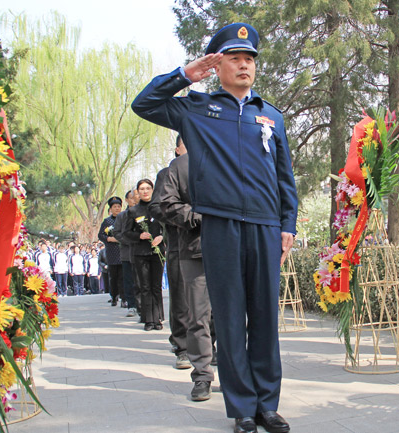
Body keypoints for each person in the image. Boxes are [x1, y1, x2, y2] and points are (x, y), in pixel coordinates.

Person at [132, 22, 298, 433]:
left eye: (249, 59)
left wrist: (287, 224)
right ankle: (242, 407)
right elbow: (144, 103)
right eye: (235, 58)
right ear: (218, 64)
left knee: (264, 318)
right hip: (220, 227)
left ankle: (267, 405)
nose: (244, 65)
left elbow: (284, 178)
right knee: (227, 316)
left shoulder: (270, 116)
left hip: (264, 226)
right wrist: (185, 75)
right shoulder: (197, 109)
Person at [158, 142, 218, 401]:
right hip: (195, 251)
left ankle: (233, 374)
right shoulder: (179, 167)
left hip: (232, 251)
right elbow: (165, 205)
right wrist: (198, 215)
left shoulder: (232, 158)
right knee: (198, 317)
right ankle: (202, 376)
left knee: (233, 318)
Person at [149, 137, 192, 370]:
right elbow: (157, 206)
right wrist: (184, 217)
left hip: (210, 243)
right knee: (181, 297)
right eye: (187, 142)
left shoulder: (210, 167)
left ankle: (211, 344)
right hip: (179, 243)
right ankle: (182, 347)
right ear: (177, 149)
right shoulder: (167, 174)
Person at [123, 179, 165, 331]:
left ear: (153, 190)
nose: (145, 191)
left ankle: (158, 318)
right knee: (145, 286)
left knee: (156, 286)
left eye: (148, 188)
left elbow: (167, 228)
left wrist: (162, 237)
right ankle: (148, 319)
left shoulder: (159, 208)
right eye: (142, 189)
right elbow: (125, 232)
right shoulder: (133, 211)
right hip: (140, 253)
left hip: (157, 252)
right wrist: (138, 236)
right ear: (137, 192)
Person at [114, 189, 140, 318]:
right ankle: (131, 305)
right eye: (131, 198)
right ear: (127, 200)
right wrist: (129, 240)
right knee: (129, 280)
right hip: (127, 252)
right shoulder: (122, 216)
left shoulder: (144, 212)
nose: (134, 200)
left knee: (141, 280)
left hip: (142, 251)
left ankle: (142, 305)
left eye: (136, 197)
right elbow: (117, 233)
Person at [98, 197, 124, 306]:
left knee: (123, 277)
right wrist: (109, 239)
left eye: (119, 206)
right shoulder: (107, 221)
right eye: (115, 207)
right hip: (112, 252)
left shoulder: (124, 219)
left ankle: (124, 298)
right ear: (111, 209)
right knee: (113, 276)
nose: (117, 209)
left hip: (123, 251)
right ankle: (113, 296)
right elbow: (101, 235)